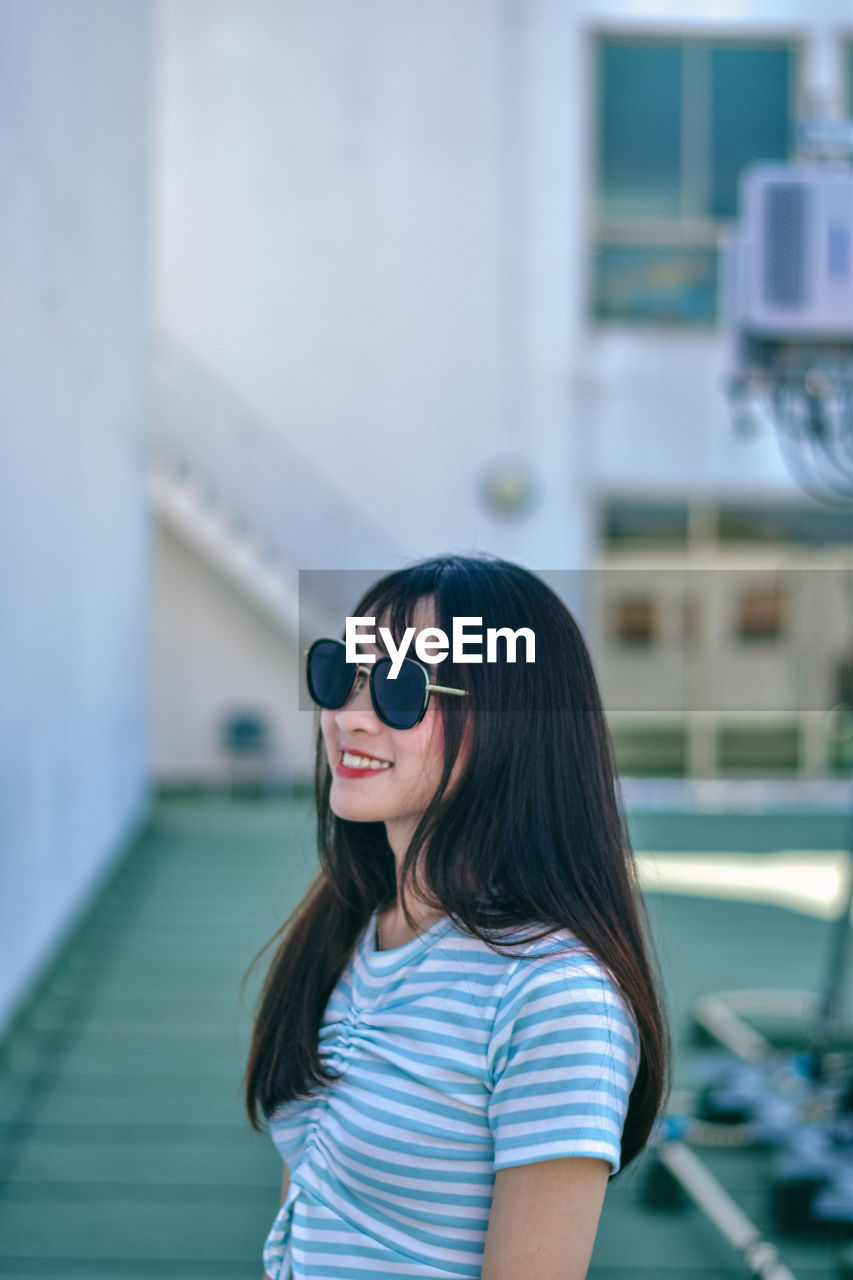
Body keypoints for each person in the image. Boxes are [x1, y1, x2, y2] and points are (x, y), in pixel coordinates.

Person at [243, 554, 670, 1280]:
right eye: (340, 675)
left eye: (401, 688)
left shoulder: (553, 998)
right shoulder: (354, 928)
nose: (349, 717)